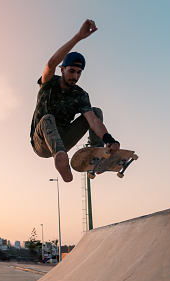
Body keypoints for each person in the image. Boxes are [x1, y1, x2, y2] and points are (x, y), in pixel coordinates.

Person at [30, 19, 120, 183]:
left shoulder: (80, 95)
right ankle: (61, 160)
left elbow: (92, 121)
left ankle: (98, 155)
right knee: (47, 119)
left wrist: (109, 140)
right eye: (71, 71)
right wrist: (78, 37)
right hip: (42, 143)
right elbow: (51, 63)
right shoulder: (48, 83)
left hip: (64, 140)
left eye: (79, 73)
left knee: (96, 112)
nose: (75, 77)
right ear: (63, 69)